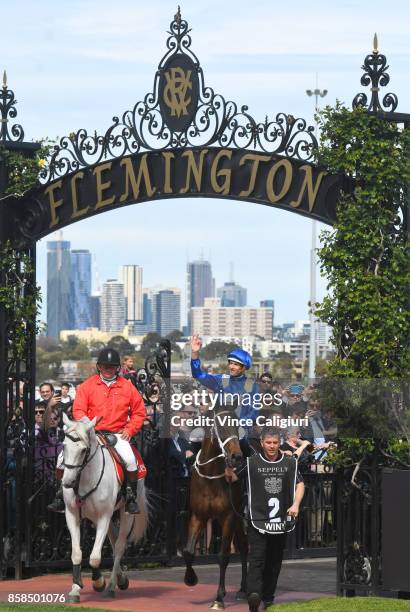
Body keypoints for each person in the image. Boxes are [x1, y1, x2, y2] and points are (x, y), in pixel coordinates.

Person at [47, 348, 146, 514]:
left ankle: (130, 497)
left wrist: (130, 429)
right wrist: (86, 427)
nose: (108, 369)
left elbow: (139, 412)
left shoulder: (128, 387)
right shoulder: (87, 386)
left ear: (118, 367)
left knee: (129, 460)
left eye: (112, 366)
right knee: (61, 459)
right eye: (105, 366)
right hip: (91, 432)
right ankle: (59, 494)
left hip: (117, 434)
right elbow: (78, 410)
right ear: (99, 366)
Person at [246, 427, 305, 611]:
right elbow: (233, 477)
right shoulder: (251, 462)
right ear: (261, 443)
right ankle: (254, 595)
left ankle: (269, 596)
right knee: (256, 559)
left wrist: (295, 504)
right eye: (268, 443)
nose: (272, 446)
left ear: (279, 442)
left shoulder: (288, 462)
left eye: (275, 443)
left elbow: (300, 484)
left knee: (274, 561)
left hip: (280, 521)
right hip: (258, 520)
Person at [190, 334, 259, 421]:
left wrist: (241, 423)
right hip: (219, 424)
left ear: (244, 367)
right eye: (231, 363)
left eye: (236, 364)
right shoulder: (222, 379)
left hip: (241, 428)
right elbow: (198, 375)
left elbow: (254, 412)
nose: (231, 367)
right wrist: (194, 353)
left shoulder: (251, 386)